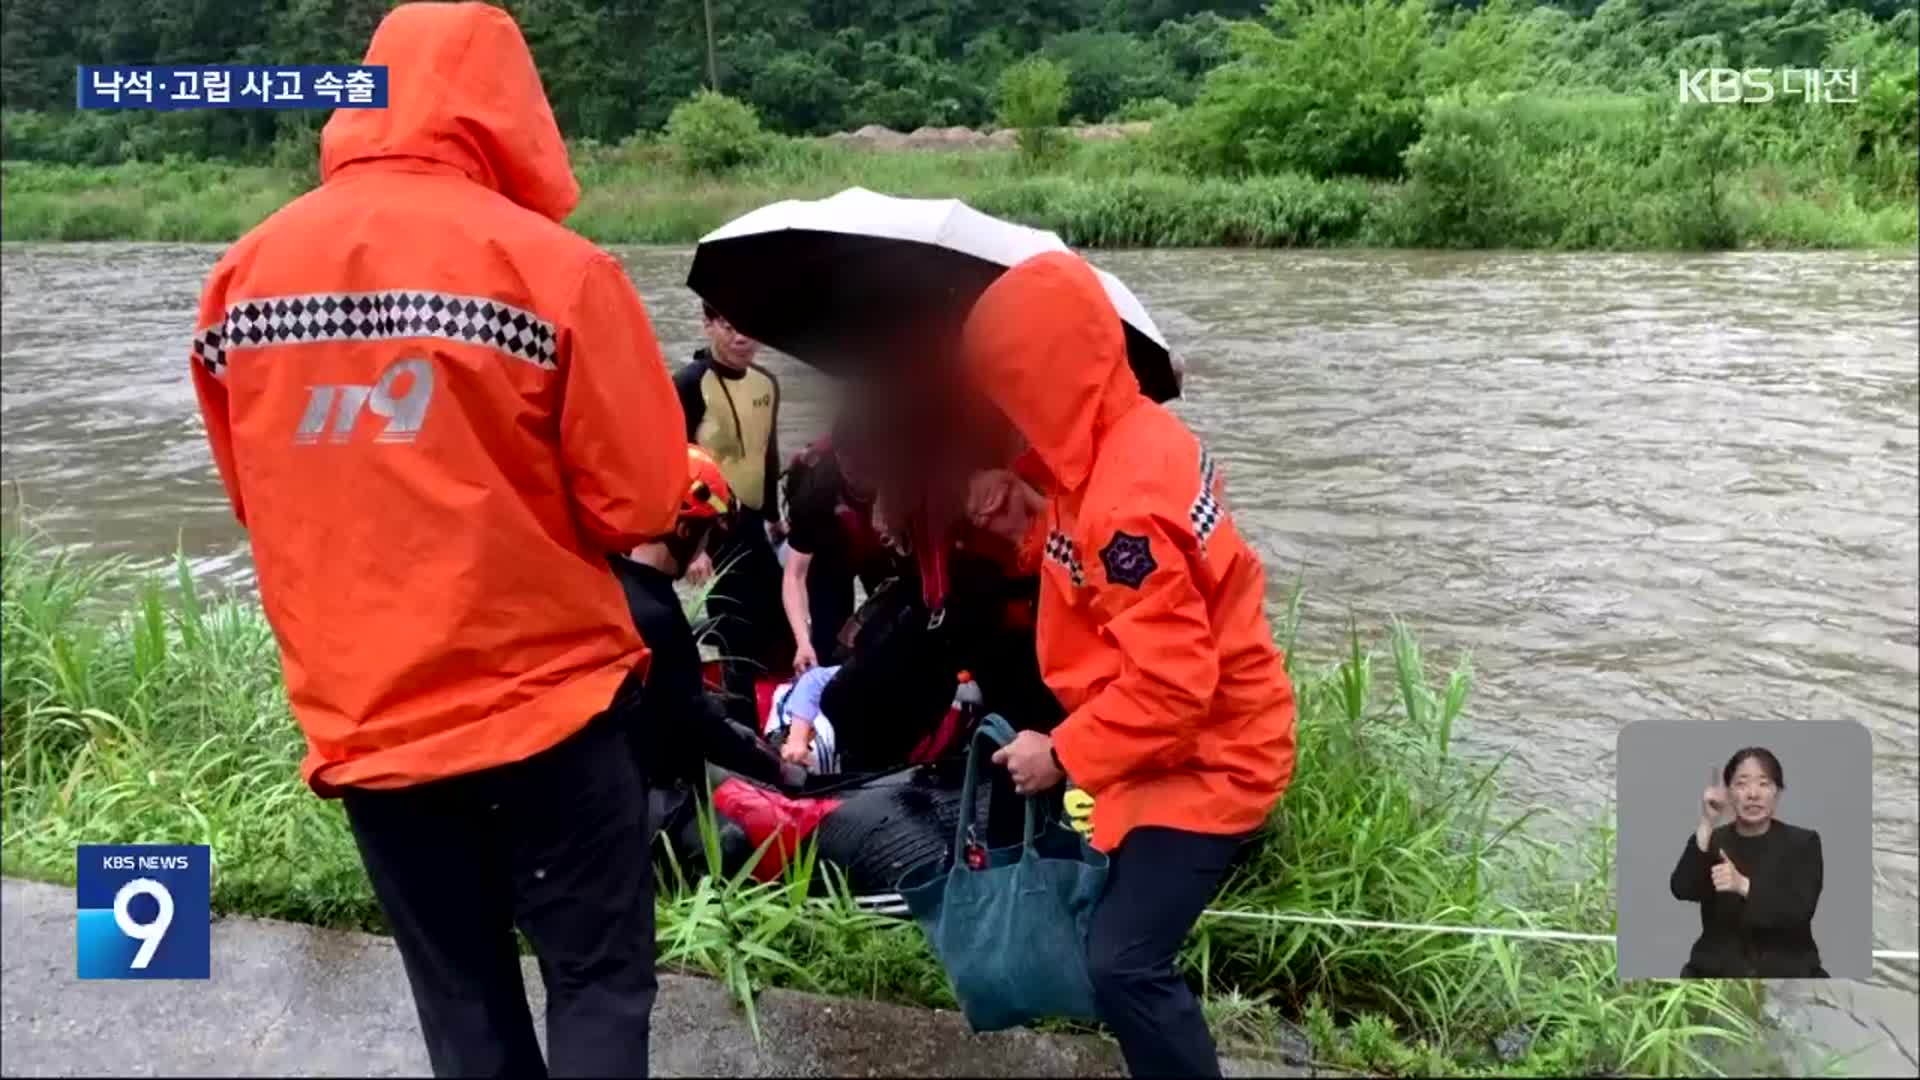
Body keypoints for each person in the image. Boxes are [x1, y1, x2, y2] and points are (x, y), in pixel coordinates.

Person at [184, 5, 685, 1076]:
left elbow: (260, 497)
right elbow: (638, 504)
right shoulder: (557, 272)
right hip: (547, 713)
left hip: (372, 732)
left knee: (463, 1007)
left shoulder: (243, 278)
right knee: (597, 984)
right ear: (514, 111)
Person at [956, 250, 1298, 1079]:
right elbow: (1103, 578)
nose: (1002, 403)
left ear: (1045, 372)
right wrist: (1029, 523)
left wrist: (1062, 753)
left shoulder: (1122, 500)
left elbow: (1175, 684)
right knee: (1113, 946)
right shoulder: (1126, 439)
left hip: (1213, 758)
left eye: (1008, 380)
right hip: (1172, 745)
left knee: (1123, 963)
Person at [674, 303, 793, 711]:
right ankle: (739, 719)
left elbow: (767, 453)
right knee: (733, 633)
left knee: (779, 627)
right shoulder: (690, 382)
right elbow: (674, 460)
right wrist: (694, 548)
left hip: (756, 526)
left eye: (750, 327)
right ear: (708, 324)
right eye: (729, 326)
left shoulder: (766, 383)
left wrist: (776, 519)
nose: (742, 338)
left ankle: (778, 713)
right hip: (711, 531)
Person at [1669, 747, 1827, 979]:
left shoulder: (1803, 843)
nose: (1753, 794)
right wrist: (1707, 822)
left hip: (1787, 973)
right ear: (1730, 793)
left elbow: (1799, 910)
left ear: (1777, 792)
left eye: (1764, 784)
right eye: (1741, 784)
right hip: (1717, 973)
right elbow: (1682, 889)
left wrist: (1743, 885)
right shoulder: (1716, 840)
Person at [779, 412, 904, 671]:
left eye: (866, 466)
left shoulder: (903, 480)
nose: (857, 475)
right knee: (827, 640)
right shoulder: (816, 493)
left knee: (898, 625)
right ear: (838, 457)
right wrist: (802, 641)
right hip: (831, 555)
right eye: (849, 466)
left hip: (881, 550)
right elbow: (794, 575)